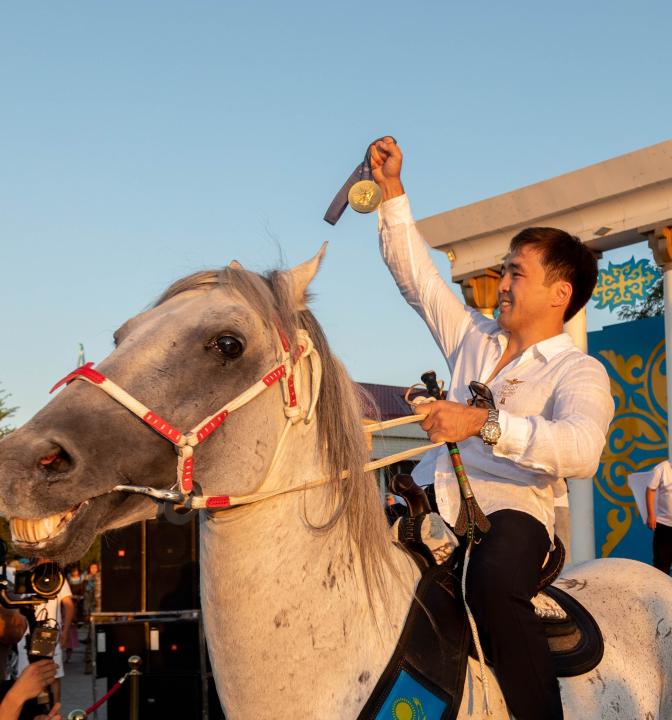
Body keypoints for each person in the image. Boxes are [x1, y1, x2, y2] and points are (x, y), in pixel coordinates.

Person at [370, 137, 614, 720]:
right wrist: (392, 192)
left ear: (560, 293)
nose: (501, 282)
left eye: (516, 273)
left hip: (513, 512)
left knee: (493, 587)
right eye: (503, 269)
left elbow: (582, 452)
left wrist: (483, 424)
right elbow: (419, 280)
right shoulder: (474, 338)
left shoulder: (579, 370)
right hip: (425, 498)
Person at [16, 562, 74, 708]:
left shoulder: (57, 577)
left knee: (52, 676)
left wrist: (65, 631)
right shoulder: (26, 573)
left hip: (49, 632)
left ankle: (54, 713)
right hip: (24, 634)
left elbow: (69, 604)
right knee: (25, 675)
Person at [646, 459, 672, 574]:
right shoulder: (662, 468)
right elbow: (651, 490)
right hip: (664, 525)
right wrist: (651, 515)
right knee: (661, 565)